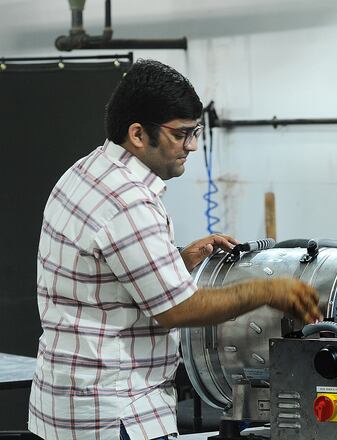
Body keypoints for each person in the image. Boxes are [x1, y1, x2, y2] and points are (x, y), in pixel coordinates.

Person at [28, 59, 322, 440]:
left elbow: (104, 280)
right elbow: (178, 310)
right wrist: (267, 290)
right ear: (137, 134)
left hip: (62, 407)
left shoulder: (85, 172)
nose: (192, 146)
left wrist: (177, 261)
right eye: (181, 134)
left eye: (195, 131)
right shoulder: (129, 202)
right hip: (117, 413)